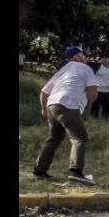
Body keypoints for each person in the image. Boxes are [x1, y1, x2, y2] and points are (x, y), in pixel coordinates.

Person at [32, 46, 98, 185]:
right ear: (76, 56)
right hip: (68, 105)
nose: (84, 57)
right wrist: (88, 102)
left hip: (52, 106)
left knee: (53, 139)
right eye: (82, 54)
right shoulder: (85, 68)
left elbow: (44, 92)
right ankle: (75, 172)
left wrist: (44, 110)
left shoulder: (62, 71)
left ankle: (39, 171)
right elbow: (93, 92)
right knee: (79, 138)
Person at [89, 54, 109, 119]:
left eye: (106, 58)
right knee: (95, 109)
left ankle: (104, 122)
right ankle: (93, 122)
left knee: (107, 109)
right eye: (102, 57)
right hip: (97, 91)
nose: (104, 59)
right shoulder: (96, 66)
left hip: (108, 92)